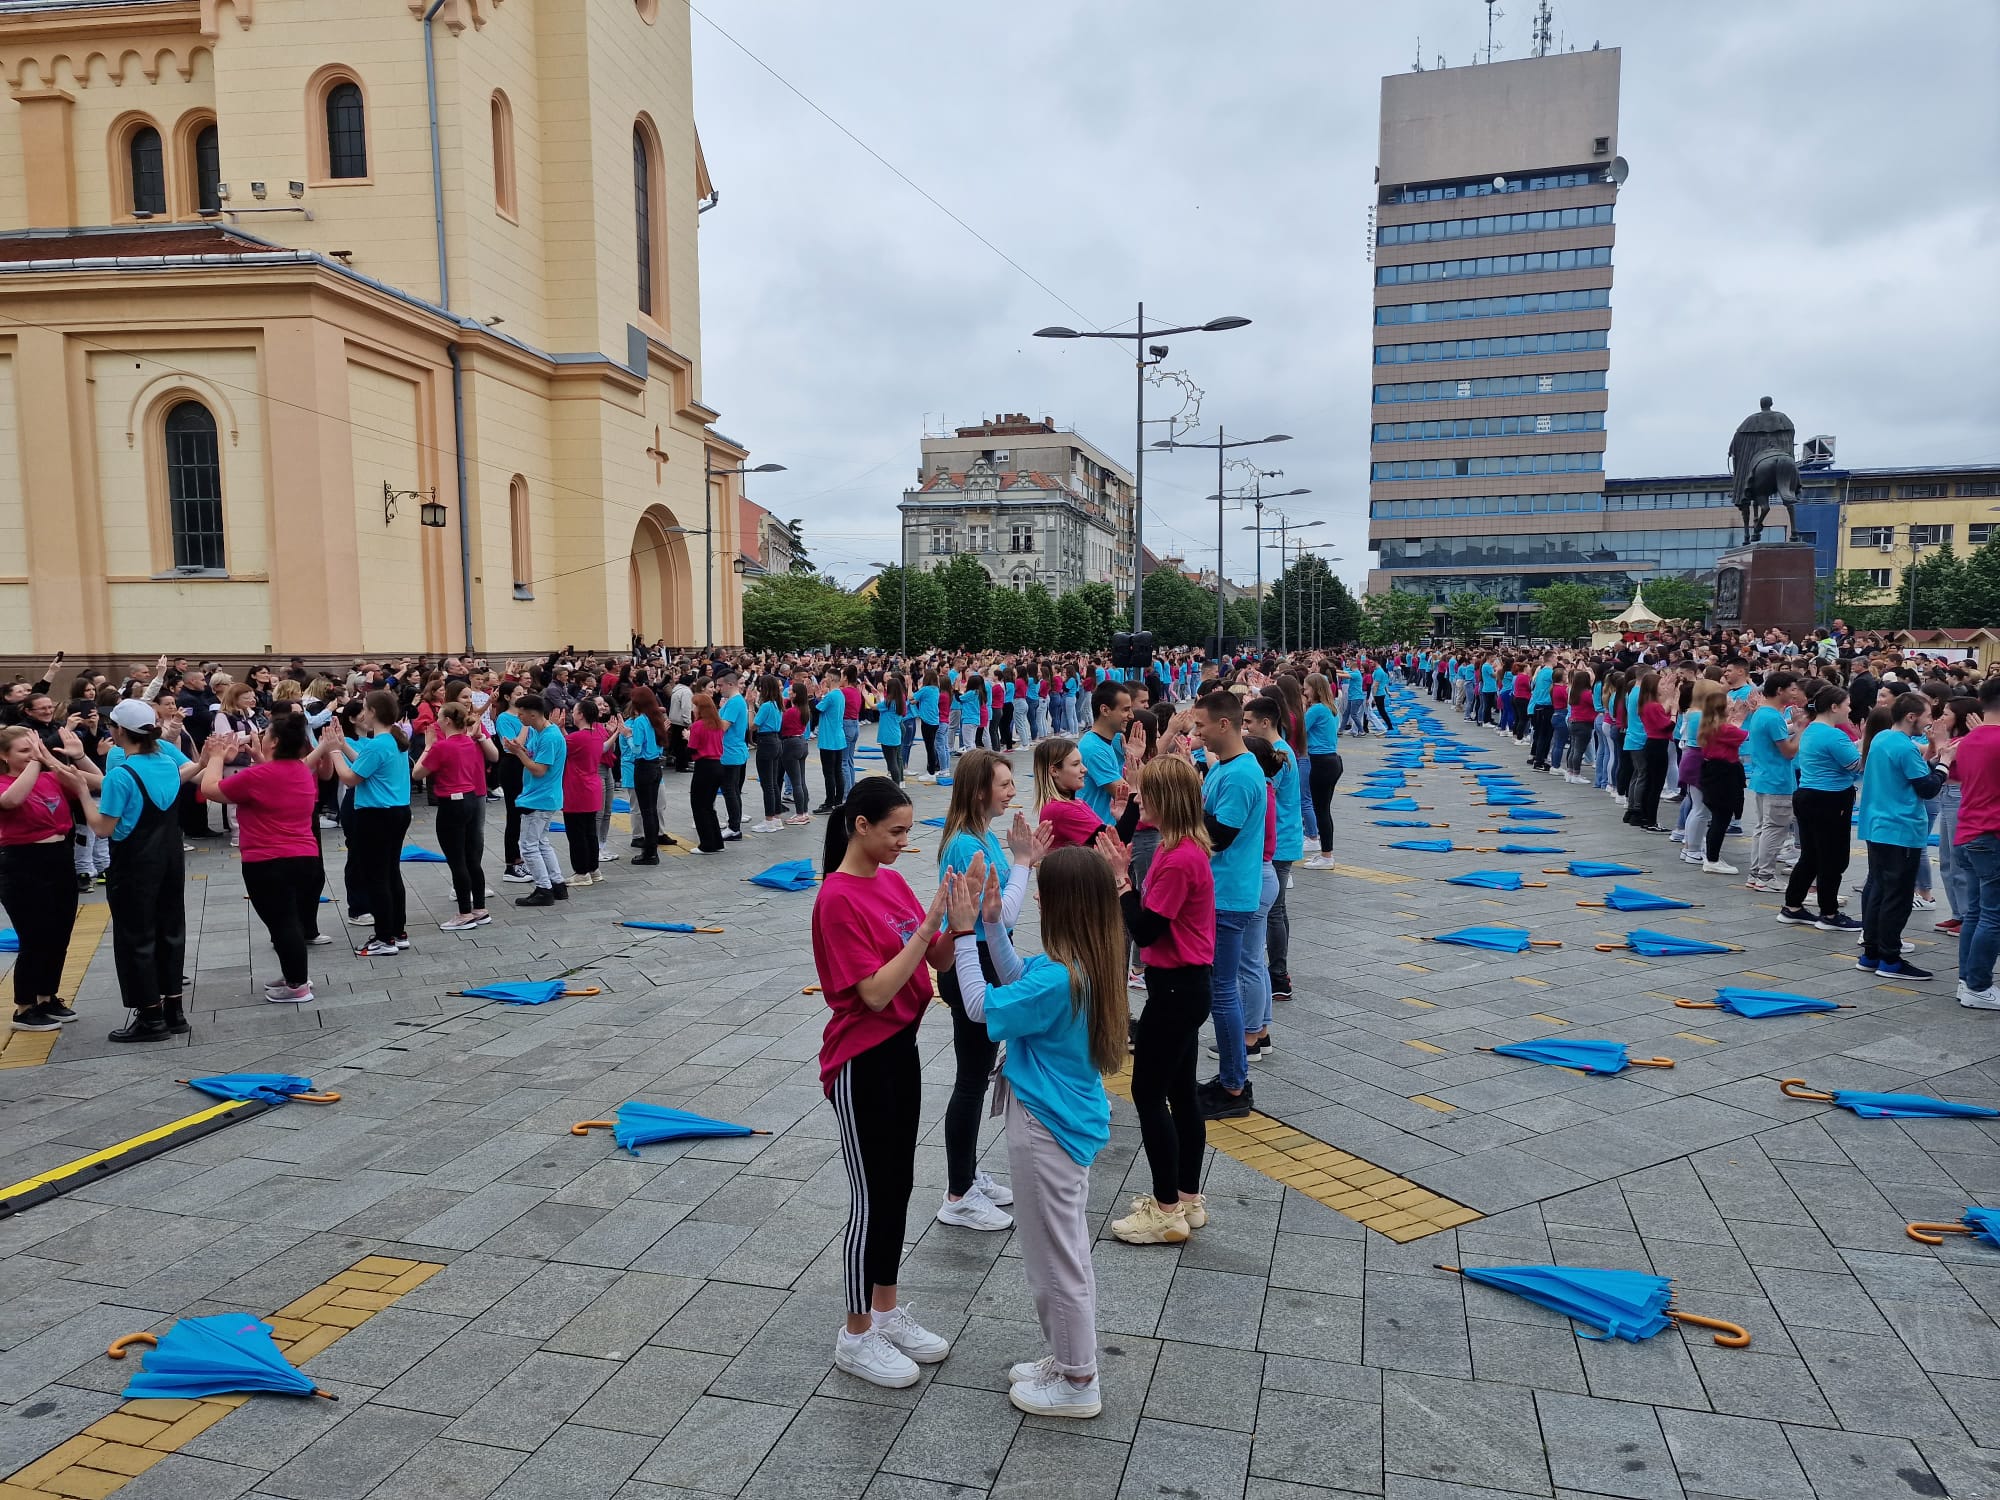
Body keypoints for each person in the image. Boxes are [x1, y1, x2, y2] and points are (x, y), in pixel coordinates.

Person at [944, 844, 1125, 1419]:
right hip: (1064, 1118)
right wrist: (994, 926)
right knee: (1063, 1251)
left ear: (1066, 904)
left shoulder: (1061, 976)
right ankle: (1070, 1359)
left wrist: (966, 933)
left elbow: (981, 1005)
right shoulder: (1083, 960)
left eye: (1045, 890)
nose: (1039, 898)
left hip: (1047, 1126)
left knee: (1054, 1259)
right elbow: (1020, 977)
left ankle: (1078, 1379)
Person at [811, 776, 955, 1390]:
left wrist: (960, 922)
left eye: (908, 831)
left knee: (899, 1183)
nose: (903, 842)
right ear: (861, 826)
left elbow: (935, 960)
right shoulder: (836, 898)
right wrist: (927, 930)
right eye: (895, 831)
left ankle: (887, 1311)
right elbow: (872, 992)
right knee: (870, 1197)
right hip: (861, 1059)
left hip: (901, 1050)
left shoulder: (891, 881)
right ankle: (855, 1333)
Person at [1099, 757, 1213, 1246]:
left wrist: (1121, 881)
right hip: (1183, 984)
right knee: (1181, 1092)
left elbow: (1146, 931)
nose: (1139, 799)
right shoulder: (1176, 846)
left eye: (1146, 793)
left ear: (1166, 799)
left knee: (1148, 1093)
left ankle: (1166, 1211)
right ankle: (1186, 1198)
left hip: (1176, 989)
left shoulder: (1180, 857)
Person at [933, 750, 1046, 1231]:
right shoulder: (966, 845)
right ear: (979, 790)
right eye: (1003, 784)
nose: (1012, 792)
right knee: (970, 1079)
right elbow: (1004, 913)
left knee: (975, 1076)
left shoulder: (976, 836)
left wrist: (1024, 860)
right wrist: (1023, 862)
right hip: (972, 962)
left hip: (984, 959)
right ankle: (958, 1194)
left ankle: (966, 1176)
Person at [198, 712, 329, 1002]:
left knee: (282, 923)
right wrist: (259, 758)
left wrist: (216, 757)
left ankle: (297, 985)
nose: (261, 736)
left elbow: (210, 789)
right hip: (304, 858)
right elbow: (273, 782)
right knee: (289, 920)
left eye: (266, 734)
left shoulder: (257, 776)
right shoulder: (300, 770)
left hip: (268, 861)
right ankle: (295, 974)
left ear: (275, 742)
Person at [87, 700, 196, 1040]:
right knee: (170, 931)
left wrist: (80, 793)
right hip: (170, 859)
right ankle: (174, 1011)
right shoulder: (167, 762)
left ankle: (150, 1017)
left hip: (134, 864)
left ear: (119, 731)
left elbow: (103, 828)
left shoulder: (122, 774)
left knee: (136, 937)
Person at [1193, 690, 1263, 1120]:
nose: (1196, 732)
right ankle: (1232, 1079)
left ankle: (1234, 1085)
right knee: (1221, 989)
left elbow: (1219, 836)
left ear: (1224, 724)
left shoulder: (1239, 775)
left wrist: (1181, 805)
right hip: (1222, 891)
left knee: (1222, 991)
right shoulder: (1226, 766)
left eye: (1201, 725)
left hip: (1228, 895)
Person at [1, 726, 96, 1032]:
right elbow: (11, 801)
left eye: (35, 748)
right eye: (23, 751)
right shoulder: (5, 781)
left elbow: (98, 782)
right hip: (22, 862)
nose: (32, 755)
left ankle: (47, 997)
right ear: (4, 756)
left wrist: (72, 758)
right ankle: (24, 1008)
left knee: (59, 934)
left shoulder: (49, 777)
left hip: (60, 858)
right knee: (34, 937)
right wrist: (36, 761)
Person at [1857, 692, 1954, 981]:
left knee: (1878, 891)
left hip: (1877, 825)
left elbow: (1908, 773)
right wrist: (1945, 761)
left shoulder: (1883, 738)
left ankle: (1871, 953)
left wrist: (1932, 755)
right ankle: (1890, 959)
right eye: (1927, 716)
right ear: (1911, 716)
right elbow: (1927, 788)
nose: (1930, 722)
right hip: (1900, 829)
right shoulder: (1903, 747)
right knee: (1897, 897)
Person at [326, 690, 415, 954]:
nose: (362, 712)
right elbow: (366, 765)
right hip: (397, 811)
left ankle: (384, 938)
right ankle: (397, 932)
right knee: (391, 873)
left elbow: (350, 778)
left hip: (376, 814)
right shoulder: (394, 739)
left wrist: (334, 752)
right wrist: (343, 746)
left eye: (365, 707)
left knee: (376, 877)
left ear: (373, 712)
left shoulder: (378, 743)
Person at [1778, 686, 1862, 932]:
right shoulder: (1833, 735)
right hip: (1830, 799)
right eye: (1847, 704)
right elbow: (1855, 765)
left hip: (1807, 795)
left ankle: (1792, 906)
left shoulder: (1812, 729)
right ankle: (1829, 913)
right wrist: (1867, 742)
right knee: (1833, 858)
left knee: (1811, 855)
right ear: (1834, 707)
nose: (1850, 709)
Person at [412, 701, 496, 928]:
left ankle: (464, 913)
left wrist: (428, 747)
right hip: (470, 798)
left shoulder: (442, 747)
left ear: (448, 721)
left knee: (457, 860)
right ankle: (480, 908)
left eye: (439, 717)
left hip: (451, 802)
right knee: (471, 858)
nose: (436, 721)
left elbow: (417, 773)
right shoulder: (469, 741)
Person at [1247, 697, 1303, 1003]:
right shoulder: (1279, 749)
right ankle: (1277, 972)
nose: (1246, 728)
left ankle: (1279, 975)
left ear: (1265, 722)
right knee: (1275, 909)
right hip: (1281, 838)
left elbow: (1263, 792)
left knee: (1274, 910)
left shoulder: (1277, 754)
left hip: (1280, 840)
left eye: (1249, 723)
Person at [1951, 676, 2000, 1009]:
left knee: (1975, 912)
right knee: (1992, 916)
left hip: (1968, 832)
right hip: (1991, 834)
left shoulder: (1969, 740)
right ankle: (1978, 986)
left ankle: (1967, 980)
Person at [505, 693, 568, 904]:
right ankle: (557, 883)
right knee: (541, 842)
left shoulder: (550, 736)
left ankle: (544, 889)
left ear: (533, 715)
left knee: (528, 846)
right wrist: (522, 750)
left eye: (521, 714)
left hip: (540, 797)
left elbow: (539, 770)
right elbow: (535, 757)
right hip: (542, 795)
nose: (519, 718)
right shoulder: (539, 732)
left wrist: (518, 753)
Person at [1743, 672, 1803, 893]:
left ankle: (1756, 873)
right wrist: (1801, 731)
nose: (1795, 693)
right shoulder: (1772, 716)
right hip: (1777, 780)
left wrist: (1794, 726)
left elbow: (1778, 735)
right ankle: (1765, 876)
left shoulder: (1762, 713)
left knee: (1764, 828)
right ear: (1780, 691)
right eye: (1792, 689)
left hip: (1764, 777)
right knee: (1775, 829)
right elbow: (1788, 751)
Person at [1696, 689, 1751, 875]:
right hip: (1723, 775)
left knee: (1719, 817)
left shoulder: (1711, 725)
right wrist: (1795, 726)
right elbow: (1747, 735)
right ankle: (1712, 859)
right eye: (1729, 703)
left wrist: (1738, 719)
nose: (1733, 705)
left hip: (1714, 772)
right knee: (1721, 818)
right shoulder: (1724, 728)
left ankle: (1712, 857)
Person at [562, 699, 608, 886]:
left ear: (581, 715)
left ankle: (581, 872)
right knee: (590, 831)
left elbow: (561, 747)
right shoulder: (596, 734)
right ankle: (593, 869)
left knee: (576, 833)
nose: (572, 714)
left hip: (577, 788)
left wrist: (555, 727)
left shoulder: (576, 738)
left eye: (574, 711)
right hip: (592, 787)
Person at [622, 686, 670, 864]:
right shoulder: (655, 718)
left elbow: (636, 749)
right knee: (653, 810)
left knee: (646, 811)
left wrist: (628, 735)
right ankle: (652, 849)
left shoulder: (640, 721)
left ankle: (649, 853)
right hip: (656, 766)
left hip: (643, 767)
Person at [1300, 672, 1342, 870]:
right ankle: (1326, 852)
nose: (1304, 691)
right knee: (1323, 809)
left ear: (1315, 689)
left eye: (1306, 688)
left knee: (1321, 810)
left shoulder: (1317, 709)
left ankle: (1327, 856)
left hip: (1321, 762)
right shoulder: (1330, 708)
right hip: (1332, 761)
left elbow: (1299, 730)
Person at [686, 691, 727, 854]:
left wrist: (688, 737)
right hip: (717, 765)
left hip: (704, 766)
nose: (693, 709)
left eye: (695, 706)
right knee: (709, 806)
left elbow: (691, 749)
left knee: (699, 805)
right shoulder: (717, 724)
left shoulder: (698, 725)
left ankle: (707, 844)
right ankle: (717, 842)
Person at [751, 674, 787, 833]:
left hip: (766, 742)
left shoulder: (766, 706)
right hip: (776, 741)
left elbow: (753, 725)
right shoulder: (777, 704)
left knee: (767, 784)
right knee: (773, 783)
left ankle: (769, 820)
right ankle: (776, 818)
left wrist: (750, 706)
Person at [716, 672, 749, 841]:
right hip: (732, 751)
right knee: (732, 790)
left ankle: (734, 827)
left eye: (720, 685)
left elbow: (722, 726)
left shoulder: (735, 702)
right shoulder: (733, 701)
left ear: (730, 684)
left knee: (730, 790)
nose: (718, 689)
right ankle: (734, 825)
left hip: (731, 752)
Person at [813, 672, 848, 812]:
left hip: (828, 738)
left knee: (829, 773)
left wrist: (815, 697)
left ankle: (829, 802)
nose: (824, 679)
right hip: (838, 737)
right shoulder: (840, 694)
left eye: (826, 676)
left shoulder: (831, 695)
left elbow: (816, 709)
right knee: (837, 771)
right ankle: (838, 801)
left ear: (831, 679)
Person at [877, 672, 908, 787]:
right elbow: (883, 706)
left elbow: (878, 706)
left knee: (893, 760)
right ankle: (899, 781)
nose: (887, 679)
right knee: (896, 758)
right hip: (896, 730)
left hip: (891, 732)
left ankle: (898, 782)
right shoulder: (899, 698)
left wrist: (866, 694)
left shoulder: (891, 700)